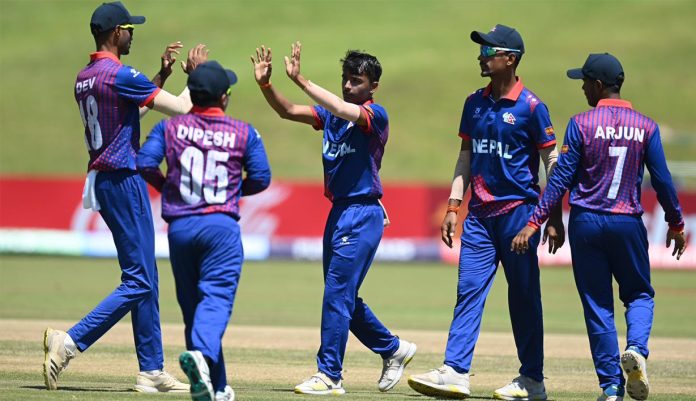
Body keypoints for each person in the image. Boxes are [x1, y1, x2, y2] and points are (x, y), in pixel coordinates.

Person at [43, 1, 207, 393]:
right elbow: (181, 108)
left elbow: (126, 117)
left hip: (103, 179)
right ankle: (70, 342)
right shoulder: (121, 74)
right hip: (123, 180)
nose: (133, 34)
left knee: (145, 275)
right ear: (116, 33)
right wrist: (196, 77)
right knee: (139, 280)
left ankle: (151, 370)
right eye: (130, 29)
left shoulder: (86, 76)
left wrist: (160, 77)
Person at [511, 53, 687, 401]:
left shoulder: (581, 123)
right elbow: (663, 181)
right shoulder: (646, 126)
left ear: (598, 85)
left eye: (584, 83)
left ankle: (611, 387)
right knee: (638, 294)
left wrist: (535, 221)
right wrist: (676, 222)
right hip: (627, 221)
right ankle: (636, 348)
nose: (582, 89)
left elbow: (560, 178)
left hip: (587, 223)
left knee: (598, 305)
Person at [408, 24, 564, 401]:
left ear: (510, 59)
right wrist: (453, 205)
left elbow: (552, 163)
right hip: (478, 215)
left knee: (523, 297)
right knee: (468, 291)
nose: (481, 57)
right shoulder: (473, 103)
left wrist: (553, 217)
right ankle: (455, 371)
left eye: (489, 51)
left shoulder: (531, 107)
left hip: (519, 215)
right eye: (481, 51)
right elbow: (465, 157)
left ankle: (532, 380)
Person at [251, 42, 416, 395]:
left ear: (373, 86)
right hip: (339, 211)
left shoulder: (375, 115)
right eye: (345, 78)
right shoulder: (330, 118)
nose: (348, 86)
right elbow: (287, 111)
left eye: (357, 81)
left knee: (336, 295)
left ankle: (329, 375)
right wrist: (266, 85)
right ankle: (393, 349)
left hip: (362, 212)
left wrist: (300, 79)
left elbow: (341, 107)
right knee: (342, 296)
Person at [137, 60, 271, 401]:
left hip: (180, 228)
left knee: (193, 308)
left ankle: (218, 387)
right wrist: (230, 192)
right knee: (215, 300)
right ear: (223, 98)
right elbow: (261, 177)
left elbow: (145, 162)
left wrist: (170, 188)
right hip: (220, 228)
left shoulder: (169, 128)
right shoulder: (243, 132)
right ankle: (201, 357)